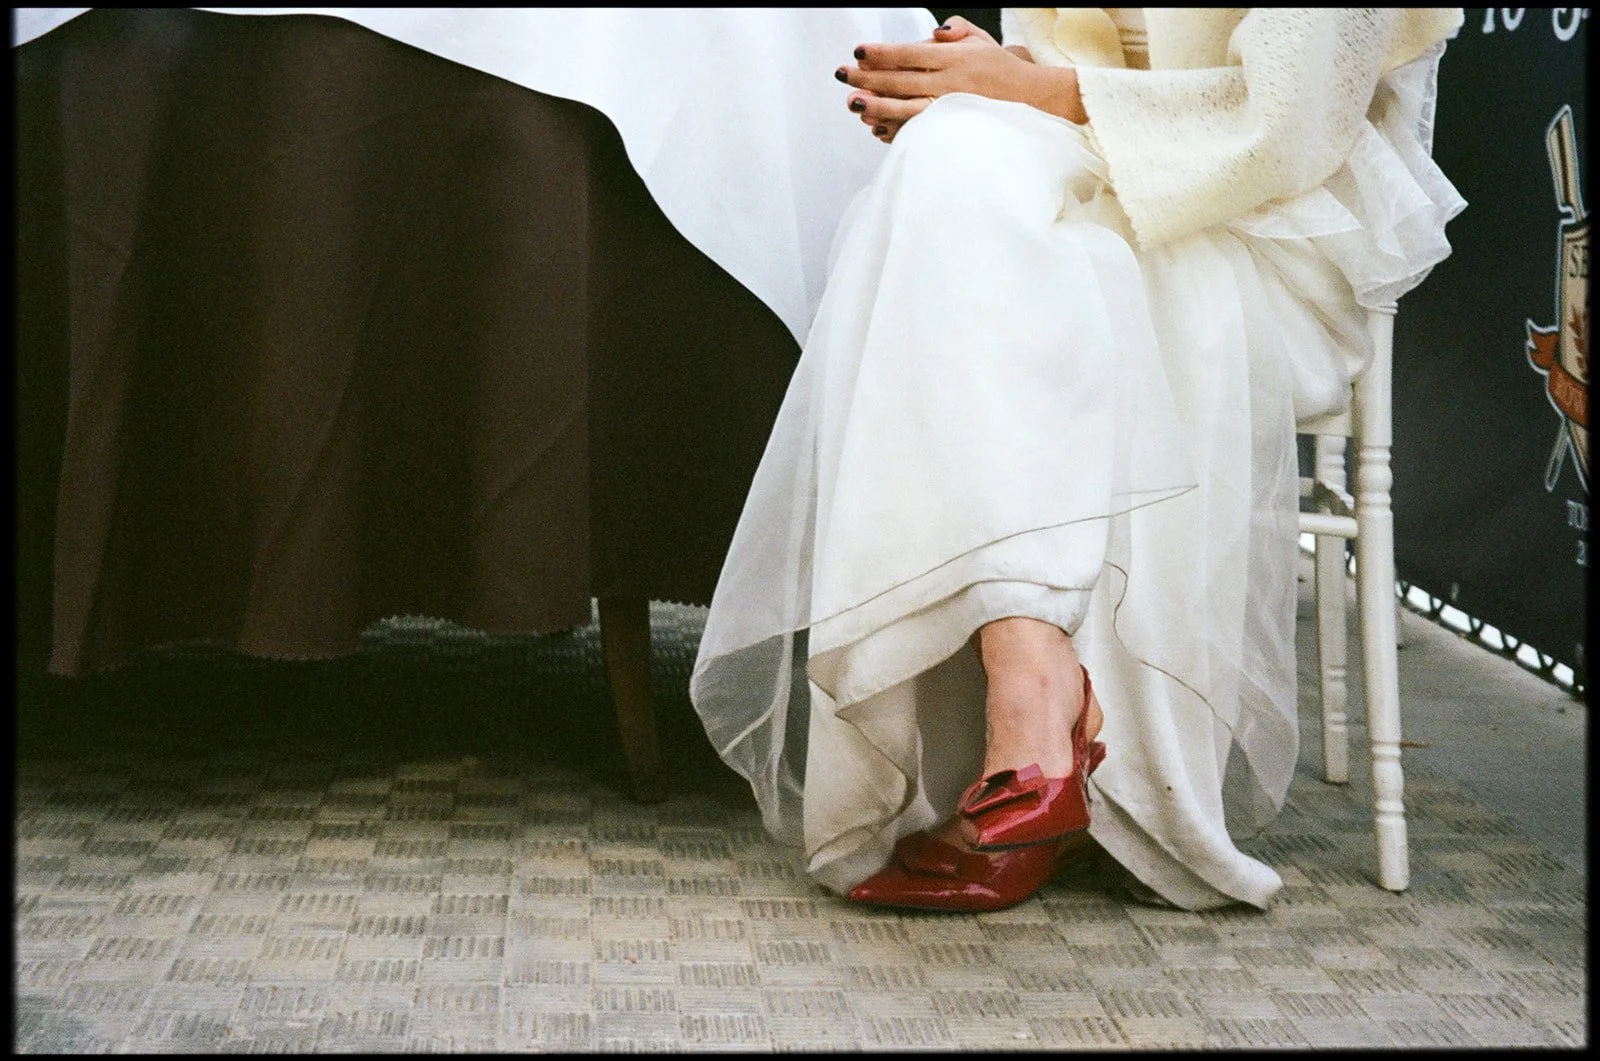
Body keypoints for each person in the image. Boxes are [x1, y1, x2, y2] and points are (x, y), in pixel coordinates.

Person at [689, 8, 1465, 912]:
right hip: (1102, 156)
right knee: (951, 156)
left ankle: (1033, 718)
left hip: (1269, 222)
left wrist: (1030, 91)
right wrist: (996, 73)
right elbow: (1078, 62)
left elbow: (1285, 126)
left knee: (975, 209)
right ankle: (1032, 672)